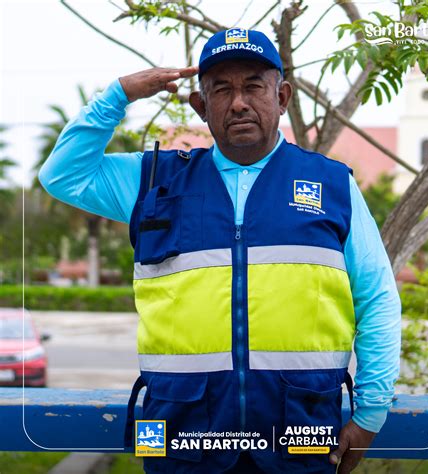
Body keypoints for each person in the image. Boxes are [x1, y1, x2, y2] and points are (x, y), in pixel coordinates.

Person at [39, 28, 401, 474]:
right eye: (221, 89)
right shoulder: (153, 181)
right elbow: (63, 176)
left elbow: (377, 298)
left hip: (299, 437)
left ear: (282, 96)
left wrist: (370, 414)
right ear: (200, 106)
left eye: (253, 86)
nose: (239, 102)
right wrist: (119, 95)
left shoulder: (333, 185)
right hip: (180, 438)